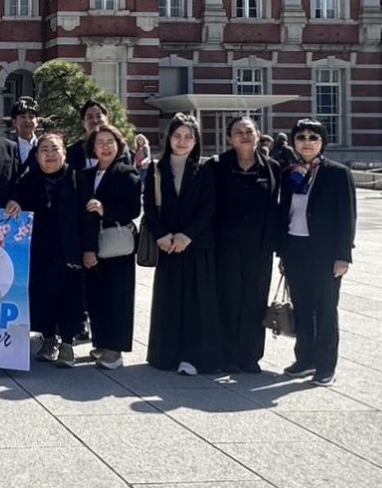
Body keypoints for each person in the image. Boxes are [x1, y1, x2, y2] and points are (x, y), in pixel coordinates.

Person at [279, 118, 356, 386]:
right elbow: (284, 211)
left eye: (313, 137)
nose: (307, 142)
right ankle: (305, 359)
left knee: (325, 309)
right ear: (294, 142)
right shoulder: (290, 173)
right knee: (302, 307)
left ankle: (325, 365)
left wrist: (343, 255)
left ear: (323, 142)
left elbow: (347, 217)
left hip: (325, 252)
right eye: (301, 137)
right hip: (295, 247)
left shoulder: (337, 173)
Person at [144, 114, 220, 376]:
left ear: (196, 140)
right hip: (167, 246)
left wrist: (187, 235)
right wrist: (161, 235)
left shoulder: (206, 168)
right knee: (169, 301)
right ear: (169, 139)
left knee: (196, 302)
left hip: (196, 245)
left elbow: (209, 206)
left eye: (188, 137)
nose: (182, 141)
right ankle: (165, 356)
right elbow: (149, 207)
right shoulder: (156, 168)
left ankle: (192, 356)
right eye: (177, 136)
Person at [211, 115, 282, 374]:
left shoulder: (272, 167)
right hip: (225, 245)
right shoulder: (217, 166)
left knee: (254, 299)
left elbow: (277, 207)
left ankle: (250, 356)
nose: (244, 136)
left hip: (259, 246)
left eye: (249, 131)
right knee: (228, 297)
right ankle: (227, 355)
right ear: (230, 138)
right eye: (238, 132)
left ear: (258, 135)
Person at [7, 131, 83, 368]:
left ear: (64, 153)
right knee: (43, 296)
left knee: (70, 298)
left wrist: (89, 249)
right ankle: (49, 340)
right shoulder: (29, 181)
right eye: (44, 150)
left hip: (70, 249)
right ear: (37, 156)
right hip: (40, 250)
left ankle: (68, 344)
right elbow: (15, 196)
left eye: (55, 149)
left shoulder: (77, 179)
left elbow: (88, 219)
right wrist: (14, 201)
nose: (50, 155)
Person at [78, 123, 142, 370]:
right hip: (92, 243)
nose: (105, 147)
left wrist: (106, 210)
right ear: (93, 148)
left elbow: (133, 209)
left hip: (117, 245)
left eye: (110, 142)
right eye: (100, 143)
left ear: (119, 145)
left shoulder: (127, 173)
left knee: (118, 297)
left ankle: (115, 350)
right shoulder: (86, 175)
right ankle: (102, 343)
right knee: (96, 296)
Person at [67, 100, 114, 171]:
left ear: (107, 120)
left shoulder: (120, 151)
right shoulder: (71, 153)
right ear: (83, 124)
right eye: (90, 117)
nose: (95, 120)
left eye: (99, 116)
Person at [10, 97, 40, 167]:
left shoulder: (42, 146)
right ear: (14, 122)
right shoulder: (8, 149)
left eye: (31, 117)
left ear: (37, 122)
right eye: (22, 117)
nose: (27, 121)